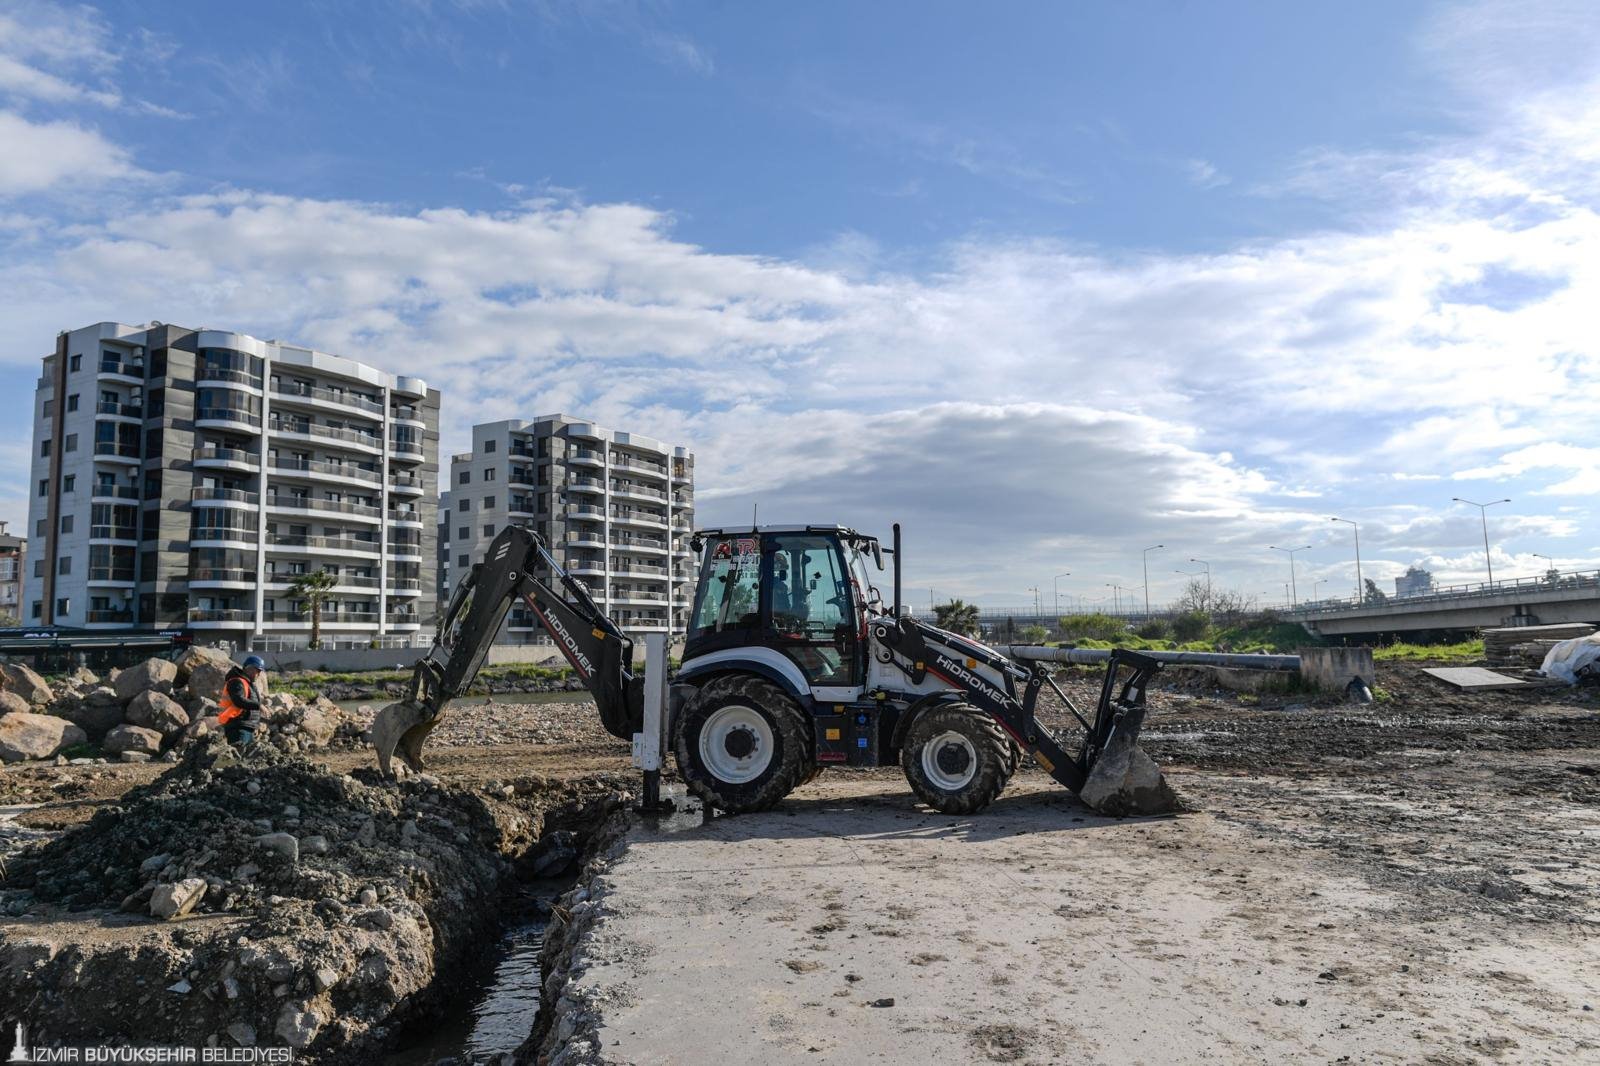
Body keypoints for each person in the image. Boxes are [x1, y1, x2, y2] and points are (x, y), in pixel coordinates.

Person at [218, 654, 266, 749]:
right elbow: (239, 700)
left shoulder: (248, 684)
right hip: (237, 727)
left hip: (246, 727)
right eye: (258, 671)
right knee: (237, 758)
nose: (259, 674)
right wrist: (259, 706)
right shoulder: (236, 682)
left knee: (246, 759)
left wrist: (253, 726)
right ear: (249, 668)